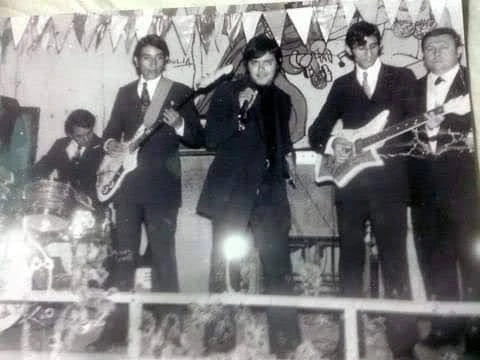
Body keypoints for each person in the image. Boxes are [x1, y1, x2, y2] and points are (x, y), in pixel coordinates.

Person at [308, 21, 418, 358]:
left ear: (379, 45)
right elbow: (316, 131)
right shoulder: (341, 86)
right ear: (349, 51)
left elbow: (414, 126)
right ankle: (347, 342)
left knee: (395, 262)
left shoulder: (403, 78)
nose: (367, 52)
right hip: (352, 187)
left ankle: (403, 345)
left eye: (372, 45)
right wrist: (335, 142)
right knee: (350, 264)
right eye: (360, 47)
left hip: (390, 185)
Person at [197, 34, 300, 358]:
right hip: (233, 195)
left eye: (268, 62)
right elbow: (211, 139)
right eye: (255, 63)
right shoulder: (228, 92)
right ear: (247, 65)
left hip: (269, 195)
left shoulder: (282, 100)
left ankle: (285, 345)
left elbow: (280, 143)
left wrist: (289, 160)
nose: (261, 69)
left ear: (277, 65)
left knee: (278, 270)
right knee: (225, 269)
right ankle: (218, 344)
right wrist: (237, 114)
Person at [102, 34, 204, 293]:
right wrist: (111, 144)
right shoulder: (124, 93)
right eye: (147, 58)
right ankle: (118, 327)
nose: (153, 64)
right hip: (126, 188)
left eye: (159, 59)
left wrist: (179, 124)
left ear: (165, 61)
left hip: (162, 190)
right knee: (124, 258)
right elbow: (110, 131)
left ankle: (169, 325)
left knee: (163, 259)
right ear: (137, 61)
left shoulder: (179, 92)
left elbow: (198, 138)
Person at [408, 27, 479, 354]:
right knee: (436, 262)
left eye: (442, 46)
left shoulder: (474, 82)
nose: (435, 53)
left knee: (474, 262)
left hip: (468, 193)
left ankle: (477, 330)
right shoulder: (413, 88)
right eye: (429, 48)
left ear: (460, 50)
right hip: (425, 195)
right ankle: (445, 328)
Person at [31, 109, 103, 206]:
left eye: (89, 133)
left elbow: (107, 186)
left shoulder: (103, 147)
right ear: (70, 134)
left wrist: (89, 198)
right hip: (62, 204)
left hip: (91, 206)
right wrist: (12, 176)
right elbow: (40, 169)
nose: (86, 139)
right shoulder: (61, 144)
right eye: (79, 136)